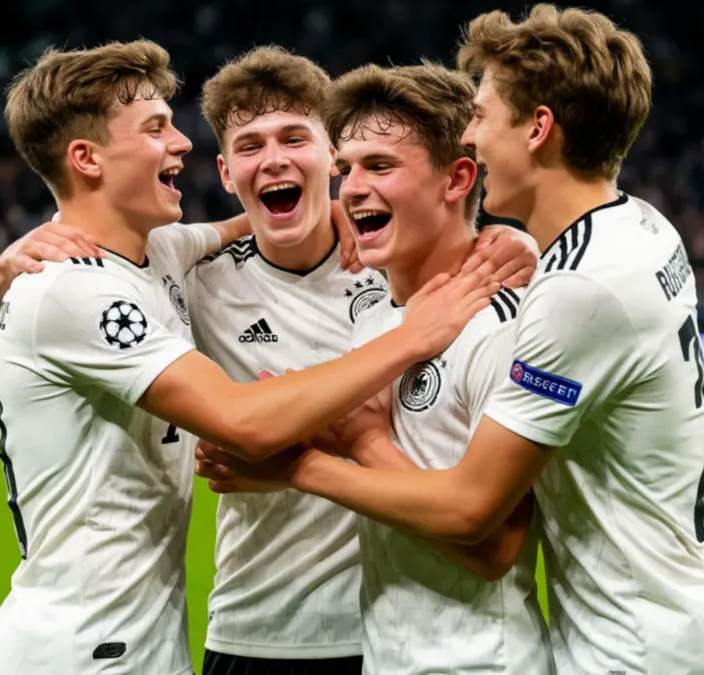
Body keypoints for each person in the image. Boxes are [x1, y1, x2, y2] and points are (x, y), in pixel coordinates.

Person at [201, 6, 704, 675]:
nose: (474, 133)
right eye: (345, 168)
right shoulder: (639, 227)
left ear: (537, 129)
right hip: (605, 631)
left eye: (484, 116)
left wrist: (327, 453)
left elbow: (479, 522)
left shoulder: (541, 306)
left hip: (618, 650)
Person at [0, 45, 536, 675]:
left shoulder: (384, 271)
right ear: (228, 174)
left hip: (382, 632)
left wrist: (504, 235)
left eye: (296, 139)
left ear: (327, 159)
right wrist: (9, 265)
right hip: (242, 631)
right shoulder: (196, 279)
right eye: (250, 146)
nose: (275, 159)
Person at [202, 62, 553, 675]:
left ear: (459, 177)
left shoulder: (505, 325)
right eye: (349, 170)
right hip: (381, 654)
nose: (352, 189)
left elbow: (492, 539)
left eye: (379, 167)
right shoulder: (377, 315)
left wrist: (329, 455)